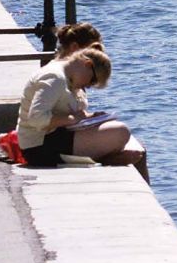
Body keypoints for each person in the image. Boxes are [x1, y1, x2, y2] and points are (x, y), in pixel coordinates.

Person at [16, 47, 147, 179]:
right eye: (92, 81)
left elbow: (63, 111)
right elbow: (35, 118)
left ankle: (107, 158)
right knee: (121, 132)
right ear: (88, 64)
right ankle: (108, 159)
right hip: (39, 146)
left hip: (57, 135)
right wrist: (72, 118)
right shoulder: (55, 78)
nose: (89, 86)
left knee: (138, 147)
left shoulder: (67, 75)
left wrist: (90, 118)